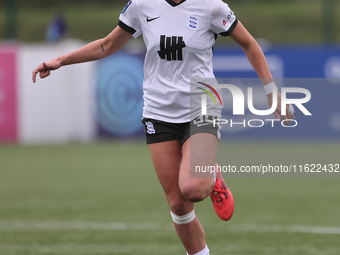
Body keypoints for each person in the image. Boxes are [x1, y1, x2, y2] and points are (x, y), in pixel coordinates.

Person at [32, 0, 295, 254]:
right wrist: (60, 61)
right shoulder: (141, 5)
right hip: (159, 112)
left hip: (202, 105)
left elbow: (249, 43)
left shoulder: (211, 6)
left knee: (192, 188)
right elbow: (106, 45)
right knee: (178, 204)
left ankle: (212, 176)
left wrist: (271, 92)